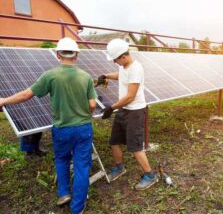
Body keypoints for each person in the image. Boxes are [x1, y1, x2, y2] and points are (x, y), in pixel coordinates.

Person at [0, 37, 97, 214]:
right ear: (76, 55)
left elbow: (26, 95)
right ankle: (77, 208)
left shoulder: (50, 75)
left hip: (62, 129)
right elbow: (92, 105)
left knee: (61, 159)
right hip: (83, 128)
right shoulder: (86, 77)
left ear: (59, 54)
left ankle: (64, 193)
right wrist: (84, 116)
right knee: (82, 166)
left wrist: (4, 100)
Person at [97, 38, 158, 190]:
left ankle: (150, 175)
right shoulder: (124, 66)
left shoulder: (136, 69)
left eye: (115, 59)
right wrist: (106, 76)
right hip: (123, 110)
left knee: (135, 147)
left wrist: (111, 107)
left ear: (123, 56)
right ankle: (119, 167)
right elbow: (120, 75)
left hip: (135, 112)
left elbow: (130, 96)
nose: (114, 62)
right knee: (114, 141)